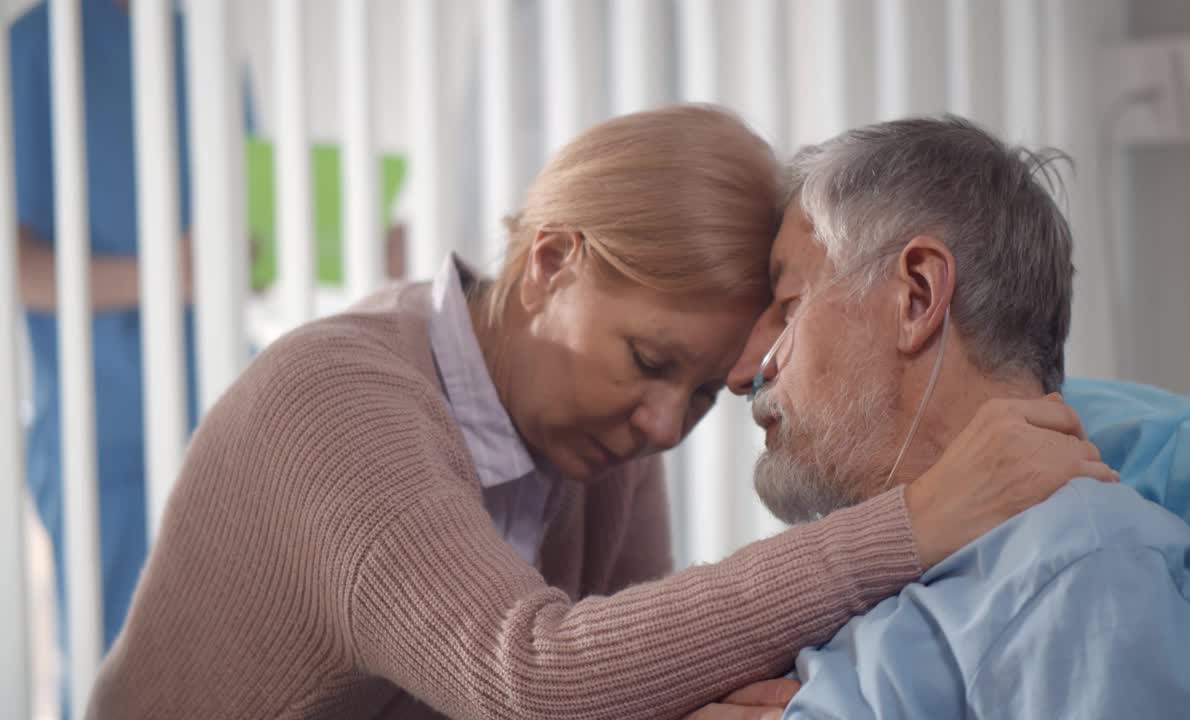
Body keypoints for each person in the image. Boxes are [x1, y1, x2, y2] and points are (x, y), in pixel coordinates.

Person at [87, 105, 1112, 720]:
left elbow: (638, 693)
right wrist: (920, 518)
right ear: (549, 264)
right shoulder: (332, 405)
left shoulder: (604, 447)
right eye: (648, 361)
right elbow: (533, 681)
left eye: (707, 392)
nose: (664, 427)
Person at [722, 116, 1190, 718]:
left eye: (789, 308)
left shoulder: (1089, 568)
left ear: (916, 296)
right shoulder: (852, 592)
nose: (743, 371)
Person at [10, 0, 199, 683]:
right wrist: (162, 272)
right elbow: (18, 265)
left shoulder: (195, 40)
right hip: (101, 438)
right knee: (112, 680)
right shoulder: (39, 47)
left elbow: (240, 222)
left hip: (212, 415)